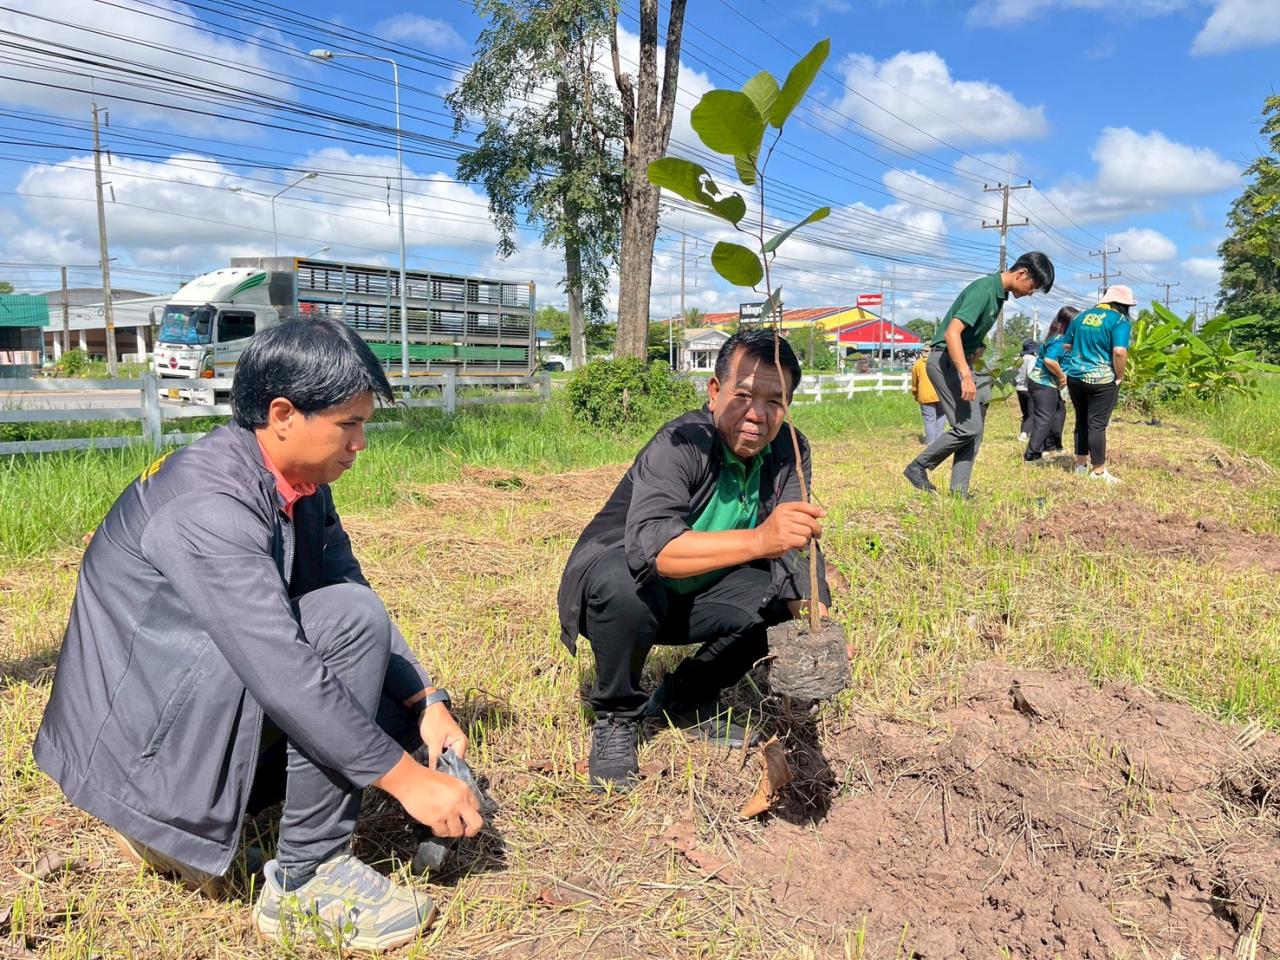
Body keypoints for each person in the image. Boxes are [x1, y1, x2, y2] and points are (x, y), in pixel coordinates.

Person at [34, 318, 484, 952]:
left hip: (185, 709)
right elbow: (286, 663)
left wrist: (426, 702)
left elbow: (345, 582)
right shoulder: (207, 504)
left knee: (386, 697)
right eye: (348, 425)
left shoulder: (295, 483)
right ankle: (306, 880)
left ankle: (199, 822)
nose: (360, 443)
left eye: (364, 425)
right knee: (346, 631)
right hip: (143, 754)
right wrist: (406, 781)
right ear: (282, 414)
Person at [557, 329, 831, 792]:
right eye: (743, 394)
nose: (757, 415)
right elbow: (655, 550)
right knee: (622, 579)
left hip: (703, 590)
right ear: (714, 391)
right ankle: (617, 718)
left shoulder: (789, 450)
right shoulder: (681, 442)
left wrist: (817, 622)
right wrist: (761, 539)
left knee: (778, 597)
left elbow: (793, 543)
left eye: (775, 402)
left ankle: (683, 700)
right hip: (632, 591)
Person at [902, 252, 1055, 498]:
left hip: (957, 360)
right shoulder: (984, 290)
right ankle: (918, 467)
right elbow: (952, 333)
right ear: (1022, 273)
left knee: (975, 429)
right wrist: (965, 375)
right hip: (945, 362)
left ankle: (959, 492)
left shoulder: (998, 296)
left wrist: (976, 349)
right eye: (1033, 287)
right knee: (969, 427)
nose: (1030, 293)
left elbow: (965, 335)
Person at [1061, 286, 1133, 484]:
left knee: (1081, 420)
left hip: (1075, 377)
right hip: (1101, 380)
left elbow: (1067, 345)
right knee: (1097, 424)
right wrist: (1119, 376)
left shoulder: (1080, 316)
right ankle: (1099, 472)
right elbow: (1119, 351)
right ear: (1122, 305)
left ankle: (1081, 466)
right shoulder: (1119, 320)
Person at [1022, 307, 1078, 462]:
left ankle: (1049, 446)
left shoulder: (1059, 338)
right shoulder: (1060, 340)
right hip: (1043, 384)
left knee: (1059, 411)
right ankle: (1032, 456)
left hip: (1044, 384)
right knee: (1044, 418)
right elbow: (1050, 361)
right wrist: (1062, 377)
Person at [910, 351, 944, 443]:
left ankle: (930, 442)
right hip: (941, 394)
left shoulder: (918, 364)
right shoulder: (941, 361)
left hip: (925, 395)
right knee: (941, 415)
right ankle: (939, 440)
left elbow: (914, 381)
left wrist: (915, 393)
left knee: (929, 419)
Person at [1014, 339, 1039, 442]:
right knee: (1032, 414)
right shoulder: (1031, 358)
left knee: (1025, 413)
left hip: (1019, 389)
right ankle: (1024, 435)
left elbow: (1014, 373)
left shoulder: (1020, 358)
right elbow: (1030, 373)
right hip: (1028, 389)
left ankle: (1024, 432)